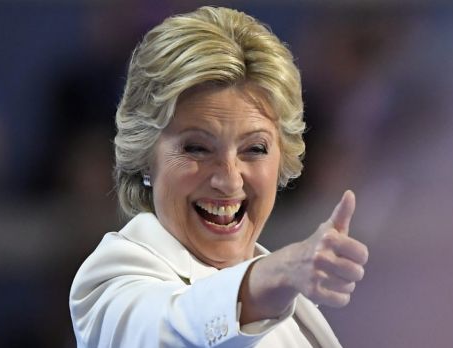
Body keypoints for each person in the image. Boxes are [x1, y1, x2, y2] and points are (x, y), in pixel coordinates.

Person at [69, 6, 369, 347]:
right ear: (145, 158)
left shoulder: (293, 307)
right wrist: (278, 275)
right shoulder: (111, 277)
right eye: (197, 148)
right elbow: (167, 330)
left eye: (254, 149)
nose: (229, 181)